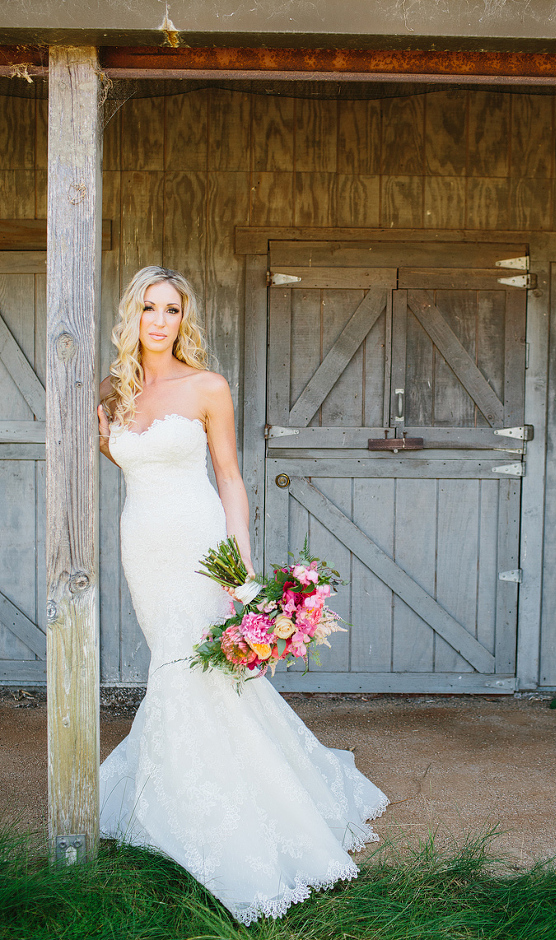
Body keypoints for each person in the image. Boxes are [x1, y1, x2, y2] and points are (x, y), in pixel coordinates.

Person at [97, 265, 388, 924]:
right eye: (149, 308)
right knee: (176, 666)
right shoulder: (113, 393)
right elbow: (127, 466)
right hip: (144, 548)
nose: (161, 321)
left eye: (172, 309)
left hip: (204, 548)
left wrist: (243, 574)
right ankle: (181, 794)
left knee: (198, 669)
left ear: (184, 319)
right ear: (132, 317)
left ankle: (220, 816)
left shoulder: (208, 387)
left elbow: (228, 478)